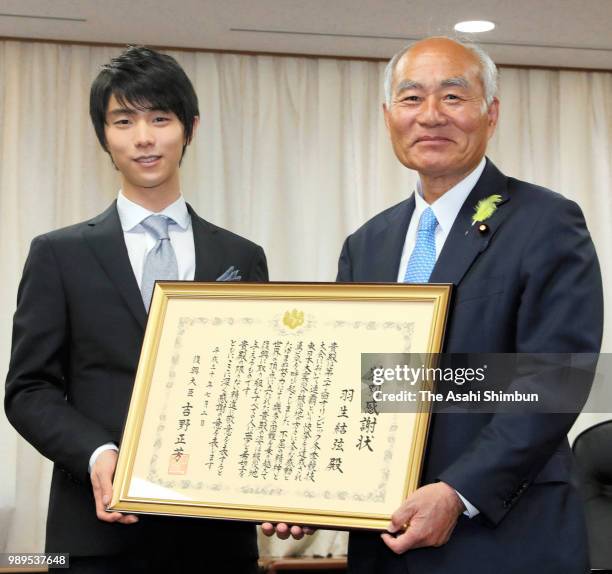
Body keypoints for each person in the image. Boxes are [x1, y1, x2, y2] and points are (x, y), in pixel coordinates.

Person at [265, 36, 603, 573]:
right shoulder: (367, 244)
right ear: (388, 116)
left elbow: (554, 379)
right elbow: (350, 389)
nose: (430, 116)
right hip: (385, 542)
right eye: (411, 98)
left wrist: (457, 491)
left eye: (452, 96)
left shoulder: (546, 222)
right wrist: (307, 483)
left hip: (502, 540)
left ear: (490, 114)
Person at [5, 46, 267, 573]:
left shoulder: (241, 256)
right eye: (124, 121)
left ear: (189, 128)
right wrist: (97, 453)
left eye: (160, 118)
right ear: (103, 135)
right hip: (96, 536)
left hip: (216, 538)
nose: (143, 137)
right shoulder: (59, 254)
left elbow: (256, 387)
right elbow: (28, 389)